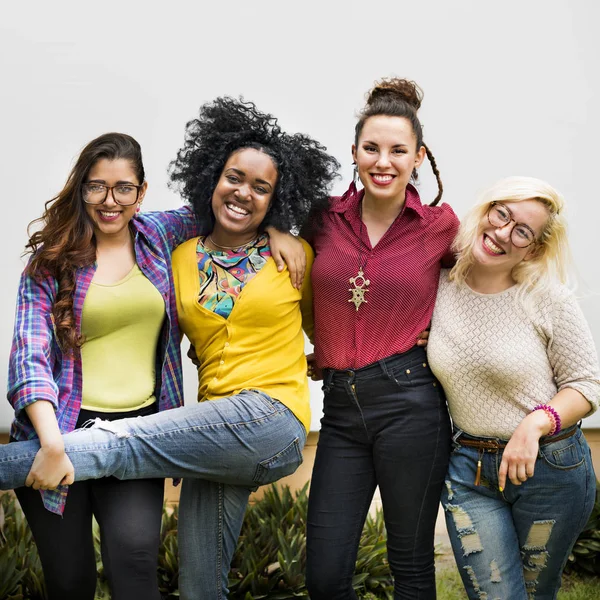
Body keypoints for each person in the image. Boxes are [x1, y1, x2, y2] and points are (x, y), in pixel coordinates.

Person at [0, 97, 340, 600]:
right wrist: (51, 442)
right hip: (90, 426)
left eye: (124, 188)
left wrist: (278, 232)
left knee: (134, 559)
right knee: (89, 583)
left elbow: (238, 217)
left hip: (207, 420)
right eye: (97, 185)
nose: (110, 199)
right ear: (80, 188)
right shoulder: (70, 263)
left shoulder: (169, 238)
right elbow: (29, 356)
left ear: (142, 193)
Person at [303, 78, 459, 599]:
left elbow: (483, 287)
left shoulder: (441, 227)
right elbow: (270, 259)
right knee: (325, 574)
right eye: (371, 148)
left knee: (410, 566)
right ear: (354, 152)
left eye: (398, 150)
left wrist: (443, 334)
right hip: (340, 409)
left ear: (419, 157)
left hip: (411, 404)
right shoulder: (320, 219)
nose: (383, 161)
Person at [427, 176, 599, 600]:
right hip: (469, 471)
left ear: (534, 248)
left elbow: (587, 383)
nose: (502, 232)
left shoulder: (548, 299)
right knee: (496, 595)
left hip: (550, 469)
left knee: (536, 591)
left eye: (521, 230)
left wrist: (536, 424)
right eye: (500, 214)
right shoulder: (438, 286)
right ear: (486, 210)